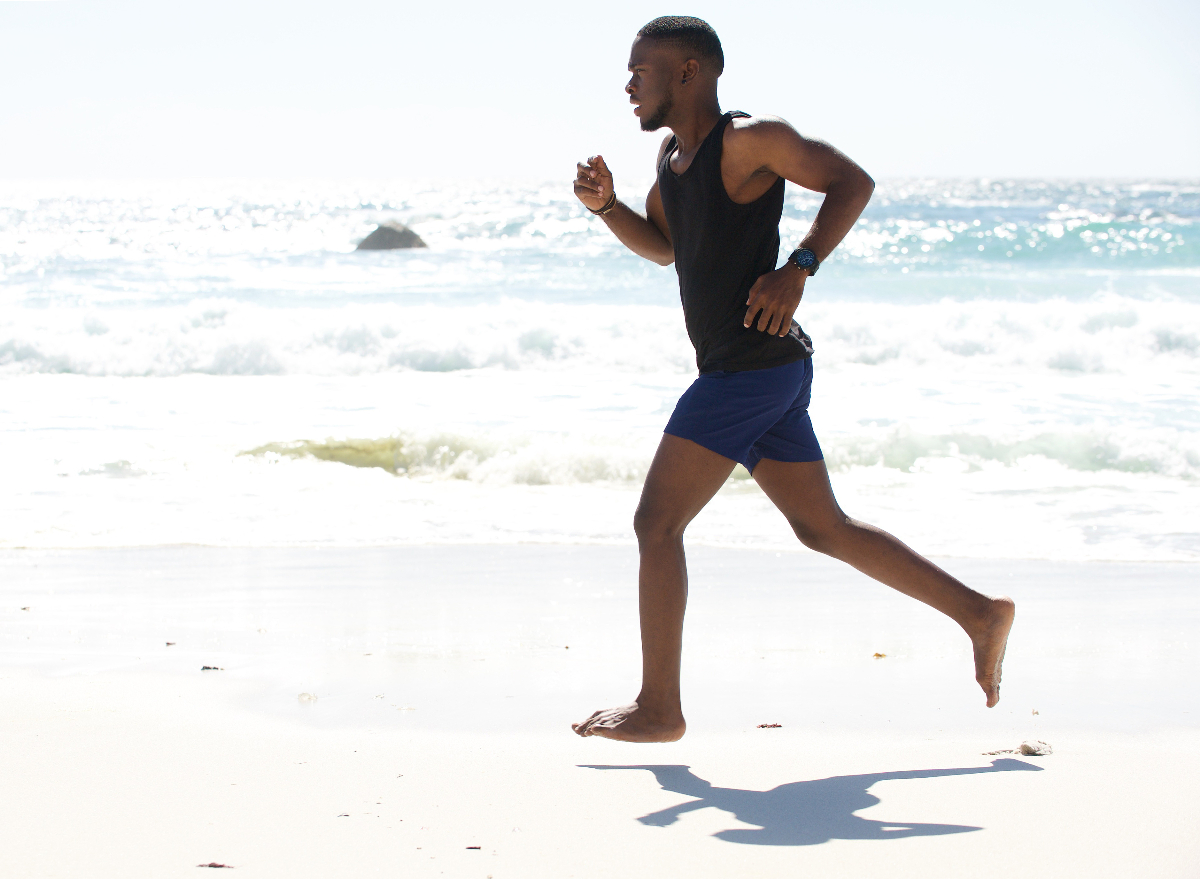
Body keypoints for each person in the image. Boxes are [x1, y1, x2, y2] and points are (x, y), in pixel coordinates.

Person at [571, 16, 1014, 743]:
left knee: (657, 523)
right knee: (822, 526)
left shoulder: (749, 141)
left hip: (751, 366)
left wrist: (798, 267)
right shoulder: (670, 161)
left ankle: (660, 707)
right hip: (761, 370)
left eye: (639, 71)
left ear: (688, 72)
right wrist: (608, 208)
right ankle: (981, 613)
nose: (628, 84)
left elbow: (852, 181)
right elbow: (667, 250)